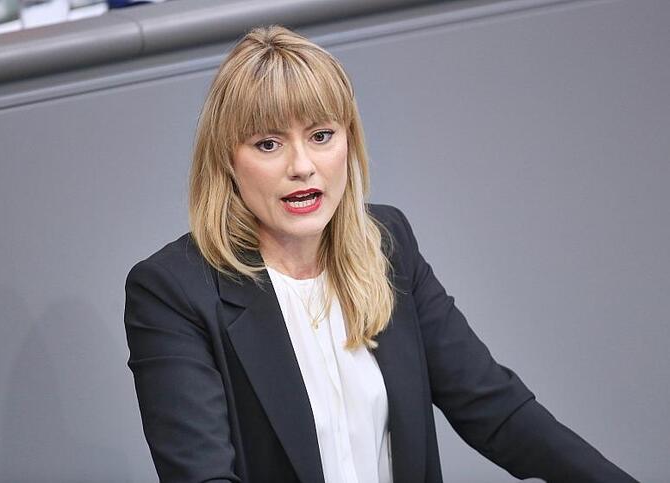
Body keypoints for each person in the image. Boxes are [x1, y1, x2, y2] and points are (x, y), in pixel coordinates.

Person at [123, 25, 638, 483]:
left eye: (321, 135)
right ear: (226, 161)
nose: (302, 166)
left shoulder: (387, 244)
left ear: (349, 142)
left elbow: (496, 411)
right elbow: (203, 474)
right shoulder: (172, 291)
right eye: (268, 144)